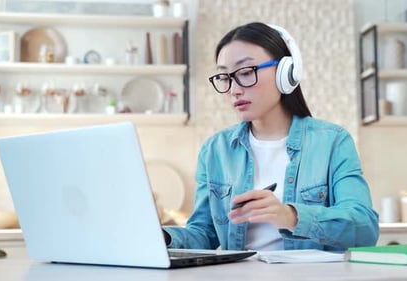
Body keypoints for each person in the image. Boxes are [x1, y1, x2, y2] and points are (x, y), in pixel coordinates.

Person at [162, 22, 379, 251]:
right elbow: (203, 234)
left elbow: (365, 229)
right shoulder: (216, 149)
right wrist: (163, 237)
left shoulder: (333, 142)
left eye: (246, 72)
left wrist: (291, 216)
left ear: (286, 72)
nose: (234, 89)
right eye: (224, 77)